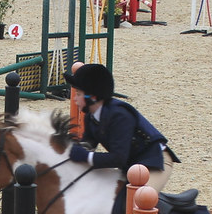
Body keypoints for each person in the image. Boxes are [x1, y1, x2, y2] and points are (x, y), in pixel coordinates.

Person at [64, 63, 178, 192]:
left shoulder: (119, 115)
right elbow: (87, 145)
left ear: (93, 97)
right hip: (132, 165)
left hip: (155, 162)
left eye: (78, 94)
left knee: (140, 198)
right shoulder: (91, 116)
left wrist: (86, 157)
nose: (74, 99)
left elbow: (118, 158)